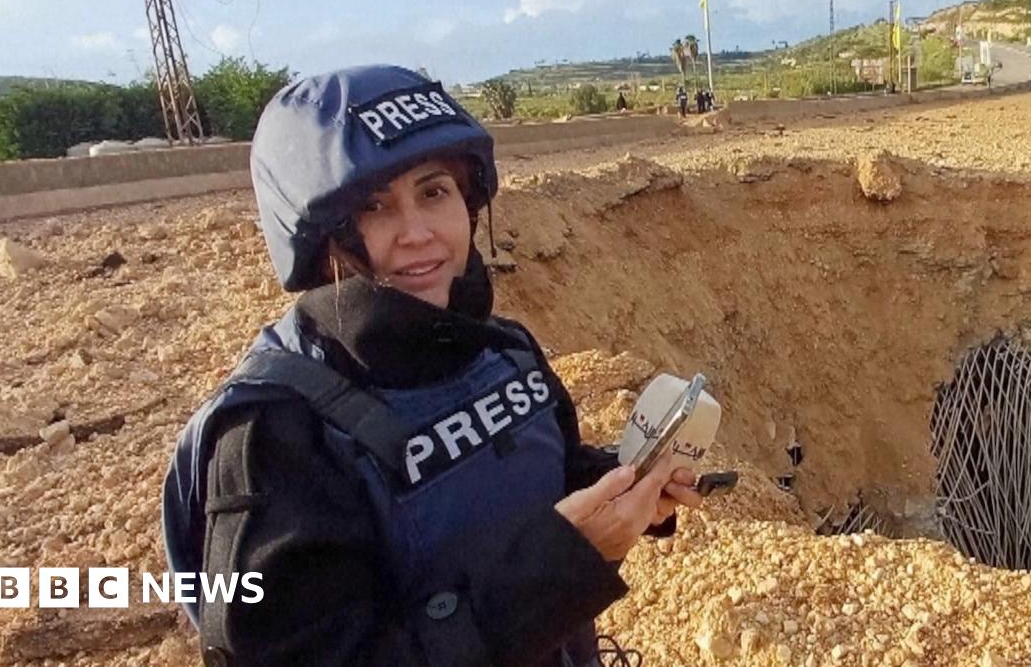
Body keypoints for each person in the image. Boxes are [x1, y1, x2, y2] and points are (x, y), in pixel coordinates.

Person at [161, 64, 703, 667]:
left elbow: (539, 468)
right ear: (321, 237)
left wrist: (625, 484)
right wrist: (556, 570)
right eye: (374, 205)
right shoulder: (278, 435)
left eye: (433, 191)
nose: (418, 232)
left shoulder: (504, 352)